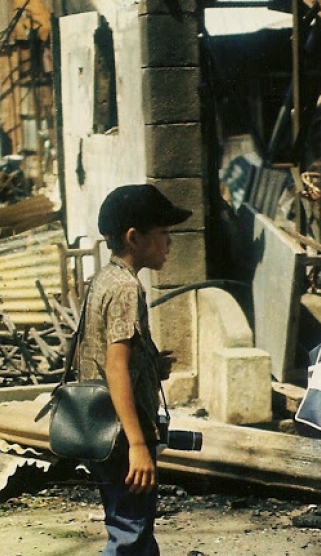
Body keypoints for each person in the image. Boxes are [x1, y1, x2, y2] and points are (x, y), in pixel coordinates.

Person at [79, 183, 192, 555]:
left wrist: (149, 364)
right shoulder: (128, 289)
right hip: (123, 435)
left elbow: (102, 354)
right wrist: (139, 445)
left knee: (136, 534)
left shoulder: (103, 279)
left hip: (103, 428)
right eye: (162, 234)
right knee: (130, 534)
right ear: (134, 237)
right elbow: (115, 369)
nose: (169, 244)